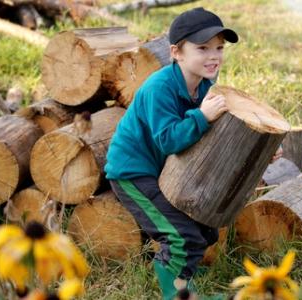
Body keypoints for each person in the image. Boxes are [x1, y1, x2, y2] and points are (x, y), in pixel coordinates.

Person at [104, 7, 239, 300]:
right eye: (202, 48)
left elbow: (217, 132)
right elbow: (167, 139)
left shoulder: (204, 86)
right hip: (133, 173)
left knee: (204, 229)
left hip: (163, 170)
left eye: (219, 48)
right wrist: (201, 117)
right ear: (176, 52)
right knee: (179, 237)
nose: (213, 55)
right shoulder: (159, 88)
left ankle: (184, 273)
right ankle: (175, 292)